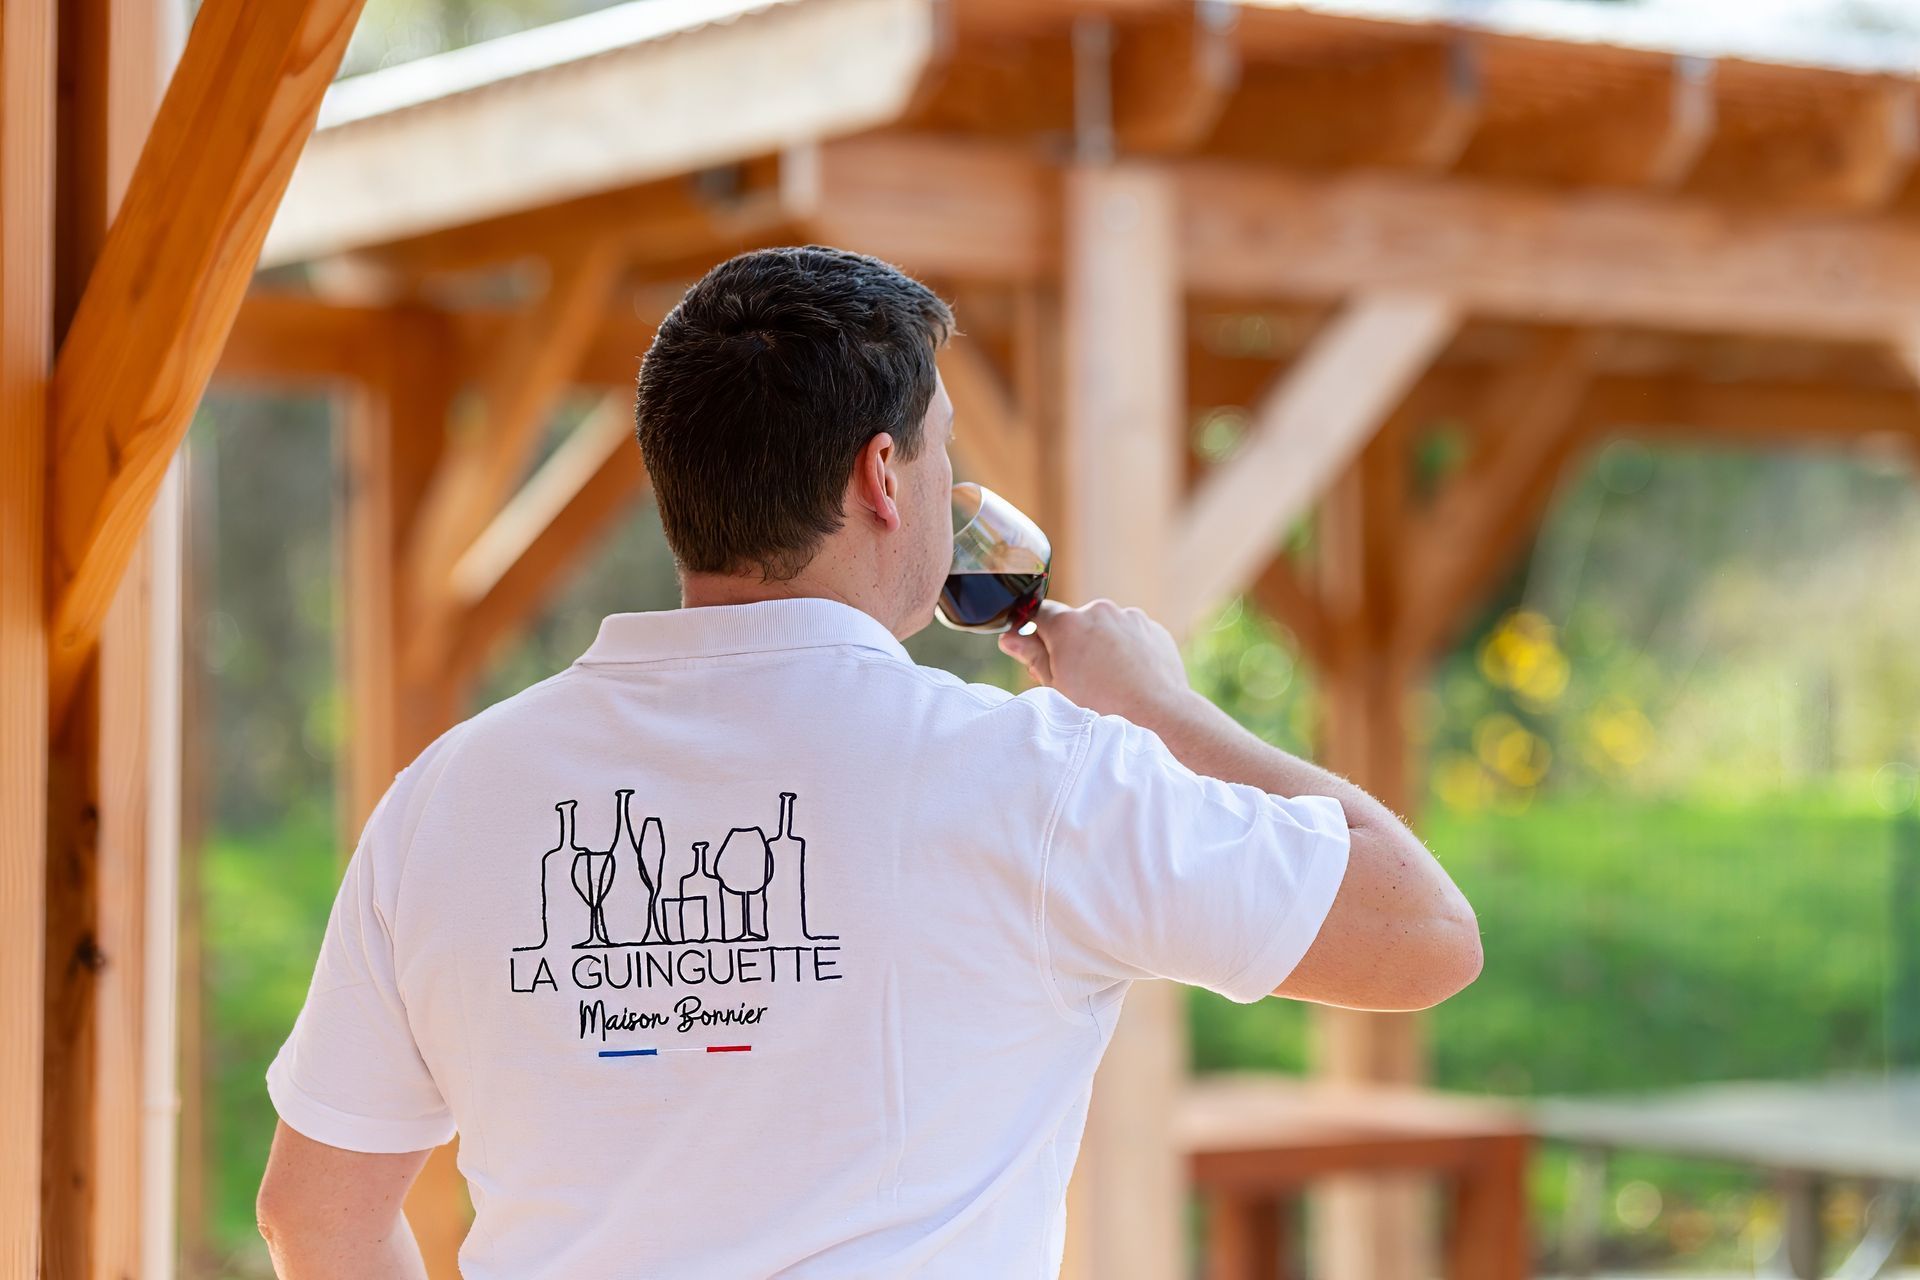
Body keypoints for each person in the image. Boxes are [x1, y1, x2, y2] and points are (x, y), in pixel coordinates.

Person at [255, 246, 1482, 1279]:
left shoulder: (449, 796)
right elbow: (1423, 934)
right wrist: (1157, 703)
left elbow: (315, 1213)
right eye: (944, 453)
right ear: (883, 476)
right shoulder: (1036, 775)